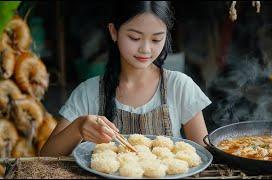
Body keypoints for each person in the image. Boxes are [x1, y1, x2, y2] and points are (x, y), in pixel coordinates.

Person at [40, 1, 211, 157]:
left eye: (156, 39)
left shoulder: (180, 87)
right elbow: (45, 157)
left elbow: (204, 157)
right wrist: (78, 128)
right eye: (135, 38)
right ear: (114, 31)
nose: (145, 49)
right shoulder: (88, 92)